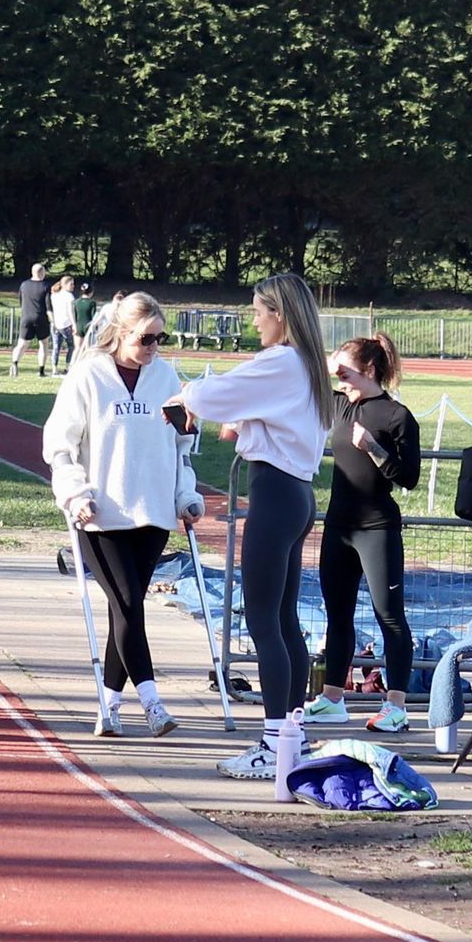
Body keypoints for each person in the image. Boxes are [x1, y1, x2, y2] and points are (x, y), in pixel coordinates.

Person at [171, 272, 334, 779]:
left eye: (259, 312)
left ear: (280, 314)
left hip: (276, 492)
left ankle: (273, 743)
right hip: (295, 493)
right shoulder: (306, 364)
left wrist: (185, 396)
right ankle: (291, 737)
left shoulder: (282, 361)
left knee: (264, 620)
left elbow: (211, 393)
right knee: (282, 620)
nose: (254, 322)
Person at [43, 292, 204, 738]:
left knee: (125, 610)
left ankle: (109, 707)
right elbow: (60, 445)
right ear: (121, 332)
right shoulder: (88, 374)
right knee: (128, 604)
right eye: (145, 338)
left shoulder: (164, 375)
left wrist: (186, 495)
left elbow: (181, 447)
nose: (153, 347)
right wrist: (74, 493)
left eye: (159, 338)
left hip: (152, 514)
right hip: (101, 514)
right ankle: (152, 704)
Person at [303, 333, 420, 733]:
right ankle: (333, 699)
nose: (340, 381)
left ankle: (396, 707)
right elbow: (311, 374)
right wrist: (334, 363)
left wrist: (374, 448)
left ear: (369, 371)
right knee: (338, 614)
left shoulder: (396, 416)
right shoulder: (341, 404)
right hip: (339, 527)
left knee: (390, 616)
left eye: (346, 374)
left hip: (377, 529)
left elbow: (409, 477)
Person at [10, 263, 50, 377]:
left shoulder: (24, 285)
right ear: (42, 273)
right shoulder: (45, 286)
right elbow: (48, 305)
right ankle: (41, 370)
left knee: (22, 343)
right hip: (41, 318)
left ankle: (14, 363)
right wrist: (52, 320)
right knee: (43, 343)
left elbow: (21, 301)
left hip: (26, 317)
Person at [47, 274, 79, 376]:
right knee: (71, 346)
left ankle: (54, 369)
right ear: (64, 285)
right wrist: (74, 324)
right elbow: (71, 312)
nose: (73, 286)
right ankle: (67, 366)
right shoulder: (69, 296)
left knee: (56, 347)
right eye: (71, 284)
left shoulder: (54, 295)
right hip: (66, 324)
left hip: (56, 324)